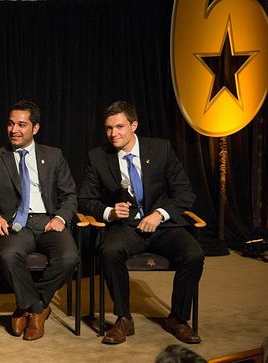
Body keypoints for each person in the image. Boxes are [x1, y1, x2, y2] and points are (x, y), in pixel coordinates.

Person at [78, 100, 204, 345]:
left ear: (133, 125)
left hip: (163, 226)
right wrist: (110, 212)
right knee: (109, 251)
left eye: (119, 127)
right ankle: (124, 318)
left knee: (194, 254)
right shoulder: (98, 156)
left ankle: (177, 318)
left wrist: (159, 214)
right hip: (126, 227)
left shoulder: (161, 149)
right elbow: (85, 199)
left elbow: (185, 193)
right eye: (108, 128)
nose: (113, 134)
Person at [0, 100, 79, 341]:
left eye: (21, 124)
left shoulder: (54, 155)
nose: (14, 130)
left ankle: (29, 305)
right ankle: (39, 310)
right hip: (16, 224)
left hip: (50, 221)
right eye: (10, 124)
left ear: (35, 128)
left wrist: (61, 217)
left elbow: (70, 194)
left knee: (70, 257)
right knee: (9, 256)